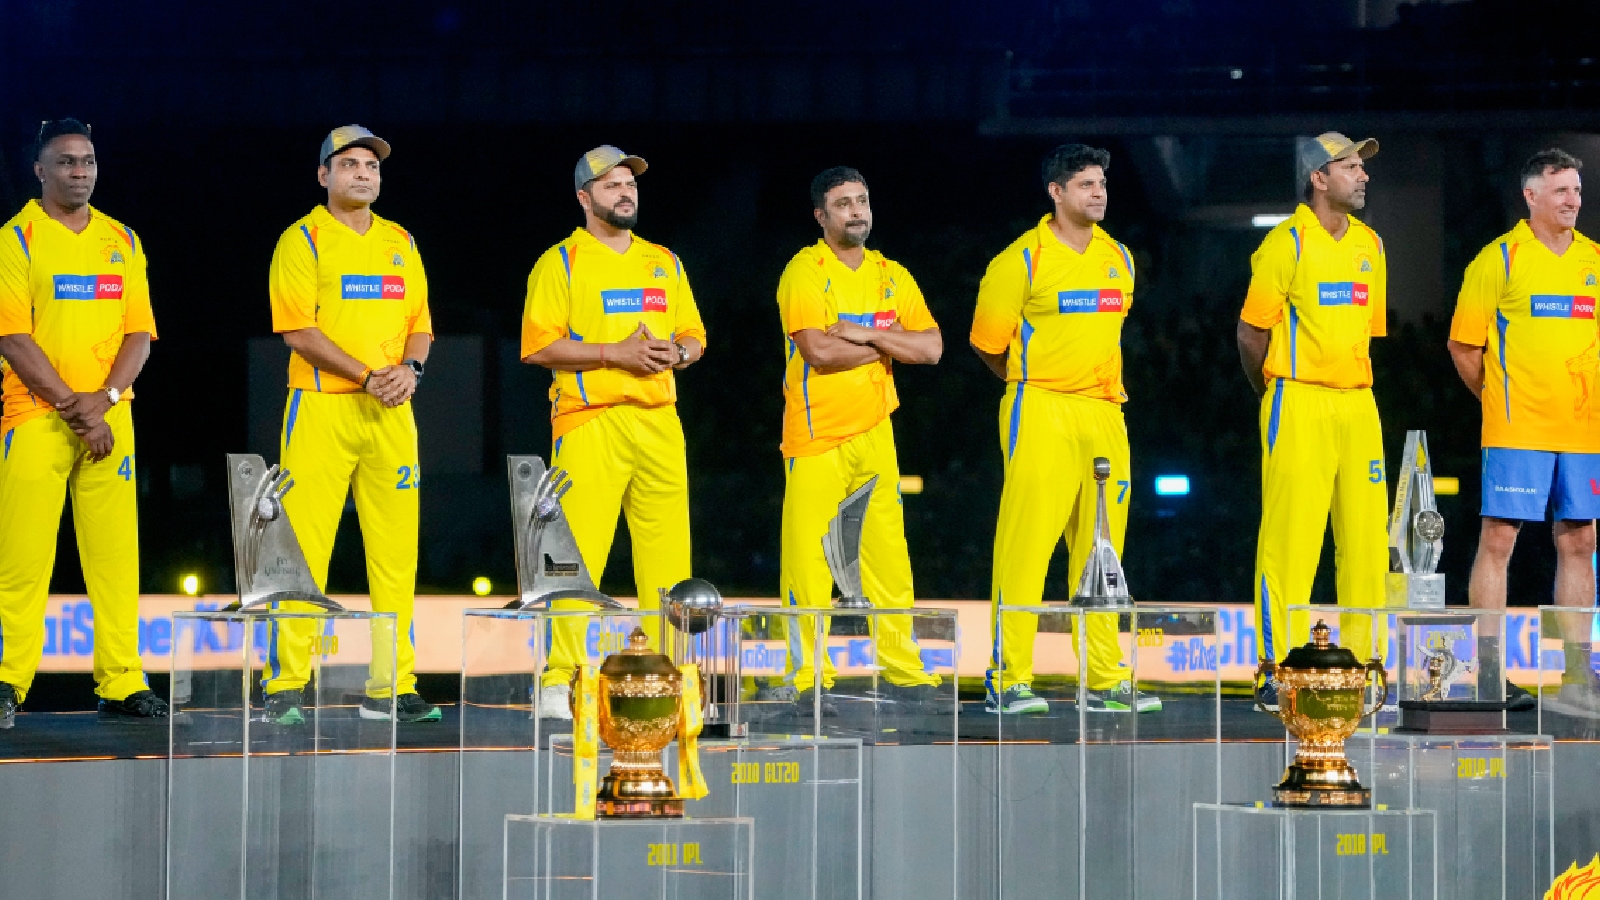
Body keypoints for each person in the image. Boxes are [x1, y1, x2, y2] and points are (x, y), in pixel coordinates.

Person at [972, 144, 1159, 715]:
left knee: (1103, 552)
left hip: (1105, 412)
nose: (1098, 193)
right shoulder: (1021, 260)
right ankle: (1007, 678)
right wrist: (1038, 381)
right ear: (1056, 192)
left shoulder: (1119, 257)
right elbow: (987, 345)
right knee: (1027, 546)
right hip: (1041, 407)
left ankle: (1103, 679)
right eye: (1085, 185)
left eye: (1101, 183)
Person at [521, 146, 707, 718]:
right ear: (584, 197)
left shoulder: (664, 262)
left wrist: (679, 352)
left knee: (669, 561)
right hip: (590, 421)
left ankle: (673, 678)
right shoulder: (561, 262)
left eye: (629, 183)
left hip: (659, 420)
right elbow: (539, 347)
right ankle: (560, 680)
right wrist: (614, 354)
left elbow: (694, 335)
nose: (625, 192)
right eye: (611, 185)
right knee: (574, 559)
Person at [264, 125, 439, 724]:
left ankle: (392, 686)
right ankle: (286, 683)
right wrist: (368, 376)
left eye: (371, 166)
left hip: (392, 410)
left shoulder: (401, 241)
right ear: (324, 176)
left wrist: (410, 370)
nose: (363, 173)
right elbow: (298, 331)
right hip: (321, 407)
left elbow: (420, 324)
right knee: (302, 551)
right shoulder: (302, 239)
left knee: (396, 554)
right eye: (349, 165)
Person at [0, 118, 166, 727]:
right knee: (22, 562)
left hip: (110, 419)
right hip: (36, 417)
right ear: (40, 170)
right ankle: (7, 680)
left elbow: (139, 333)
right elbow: (12, 338)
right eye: (67, 161)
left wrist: (107, 398)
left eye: (88, 161)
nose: (80, 171)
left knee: (116, 561)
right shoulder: (16, 239)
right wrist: (80, 409)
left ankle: (122, 681)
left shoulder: (122, 239)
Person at [772, 166, 943, 710]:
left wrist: (867, 333)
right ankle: (806, 676)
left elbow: (933, 349)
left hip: (875, 432)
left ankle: (903, 670)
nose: (856, 211)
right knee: (809, 561)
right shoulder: (805, 271)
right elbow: (819, 353)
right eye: (843, 203)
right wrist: (892, 343)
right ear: (821, 216)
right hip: (816, 434)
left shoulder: (891, 274)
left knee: (888, 555)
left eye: (862, 200)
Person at [1447, 147, 1600, 715]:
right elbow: (1464, 347)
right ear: (1530, 196)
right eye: (1561, 191)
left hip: (1583, 434)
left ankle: (1577, 678)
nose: (1573, 200)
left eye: (1577, 190)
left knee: (1580, 542)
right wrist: (1499, 403)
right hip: (1516, 431)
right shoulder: (1499, 260)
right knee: (1499, 539)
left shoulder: (1594, 260)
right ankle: (1487, 674)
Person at [1237, 132, 1389, 697]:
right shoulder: (1285, 244)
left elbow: (1367, 333)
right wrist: (1274, 392)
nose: (1363, 175)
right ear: (1318, 179)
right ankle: (1274, 668)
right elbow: (1251, 333)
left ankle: (1366, 668)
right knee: (1290, 543)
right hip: (1298, 399)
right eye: (1349, 166)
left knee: (1368, 544)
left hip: (1359, 402)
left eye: (1362, 167)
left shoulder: (1371, 245)